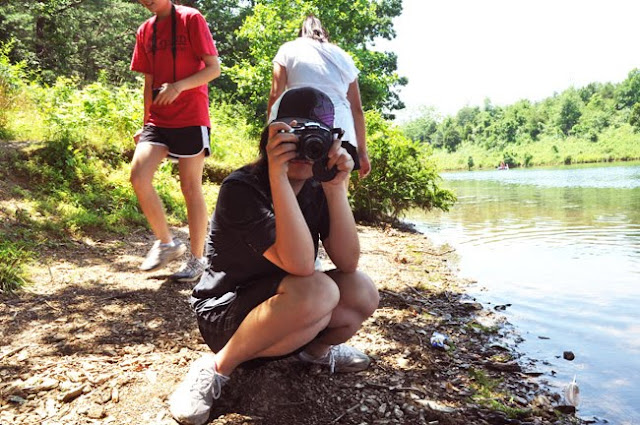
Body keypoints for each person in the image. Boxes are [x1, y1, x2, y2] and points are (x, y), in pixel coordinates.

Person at [168, 87, 379, 425]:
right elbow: (300, 264)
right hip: (225, 314)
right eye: (294, 135)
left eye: (316, 137)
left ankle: (314, 354)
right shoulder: (242, 188)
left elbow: (348, 261)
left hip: (288, 308)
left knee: (361, 290)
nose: (304, 148)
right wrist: (277, 175)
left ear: (332, 143)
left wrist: (336, 188)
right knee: (318, 290)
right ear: (271, 136)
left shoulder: (317, 188)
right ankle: (216, 367)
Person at [130, 0, 220, 282]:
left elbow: (213, 68)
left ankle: (197, 259)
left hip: (191, 116)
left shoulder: (191, 18)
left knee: (190, 187)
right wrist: (145, 122)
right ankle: (166, 243)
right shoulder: (145, 30)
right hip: (158, 120)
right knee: (138, 176)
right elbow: (149, 83)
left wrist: (179, 87)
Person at [267, 14, 371, 179]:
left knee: (295, 187)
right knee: (337, 187)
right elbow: (357, 109)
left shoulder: (288, 49)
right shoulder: (343, 57)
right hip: (339, 130)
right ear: (324, 33)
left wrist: (269, 136)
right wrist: (362, 153)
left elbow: (275, 95)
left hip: (299, 127)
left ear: (301, 32)